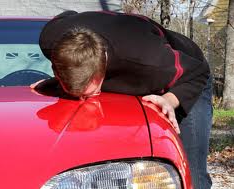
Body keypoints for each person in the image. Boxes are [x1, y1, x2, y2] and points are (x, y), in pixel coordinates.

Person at [31, 10, 212, 188]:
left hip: (188, 75)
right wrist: (57, 83)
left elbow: (199, 71)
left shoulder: (149, 62)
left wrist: (170, 99)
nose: (83, 99)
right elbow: (68, 14)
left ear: (103, 69)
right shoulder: (49, 38)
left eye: (88, 93)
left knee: (191, 172)